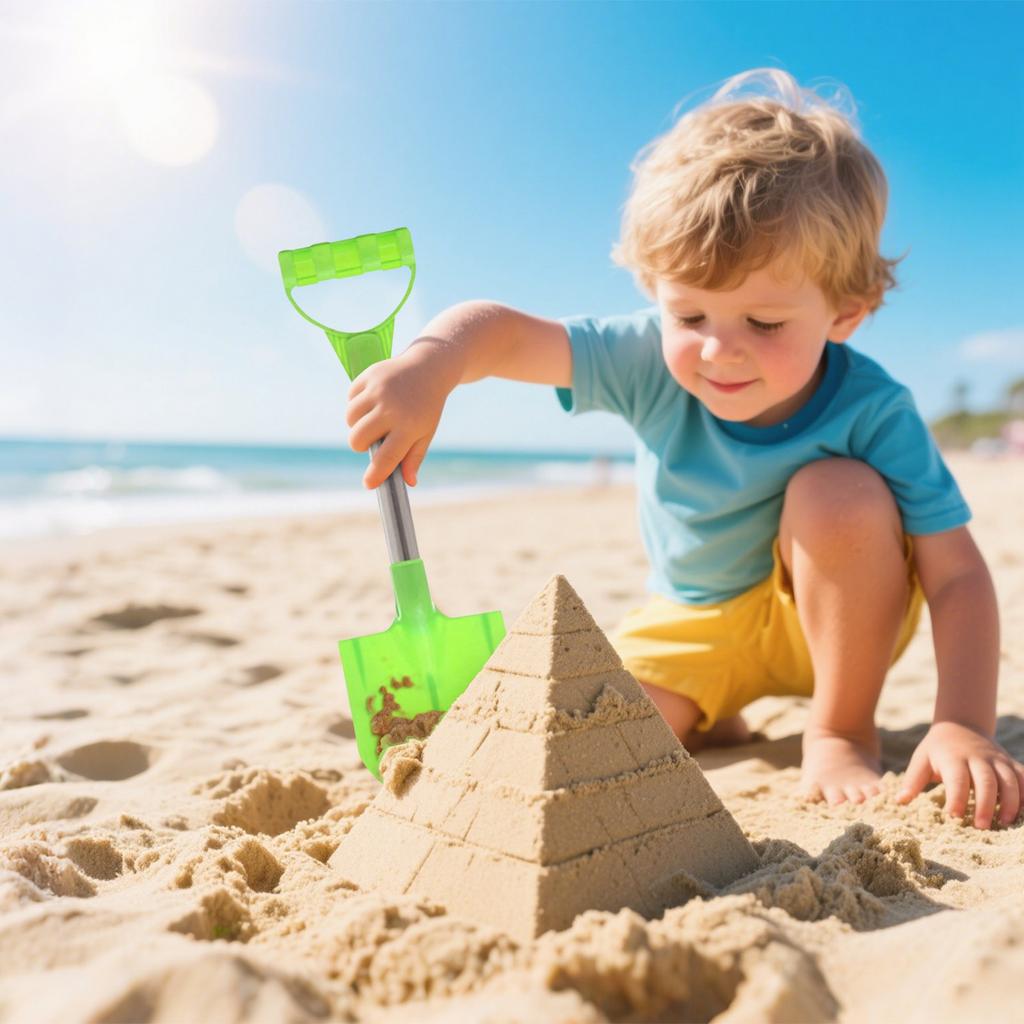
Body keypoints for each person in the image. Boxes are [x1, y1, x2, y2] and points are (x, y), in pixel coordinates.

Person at [345, 69, 1024, 829]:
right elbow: (502, 333)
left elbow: (957, 575)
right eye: (690, 314)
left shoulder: (874, 407)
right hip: (689, 627)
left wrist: (963, 722)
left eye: (764, 323)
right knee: (591, 745)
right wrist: (431, 365)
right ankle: (714, 712)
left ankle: (839, 731)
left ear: (846, 313)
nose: (718, 350)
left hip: (830, 625)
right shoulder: (642, 358)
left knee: (838, 492)